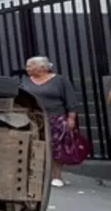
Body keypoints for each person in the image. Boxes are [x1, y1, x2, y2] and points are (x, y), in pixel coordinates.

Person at [20, 56, 82, 187]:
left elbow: (71, 100)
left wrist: (71, 118)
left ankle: (56, 176)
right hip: (33, 118)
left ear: (42, 68)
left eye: (30, 66)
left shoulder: (60, 80)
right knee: (35, 146)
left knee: (57, 148)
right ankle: (38, 176)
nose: (27, 68)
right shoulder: (25, 81)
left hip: (55, 118)